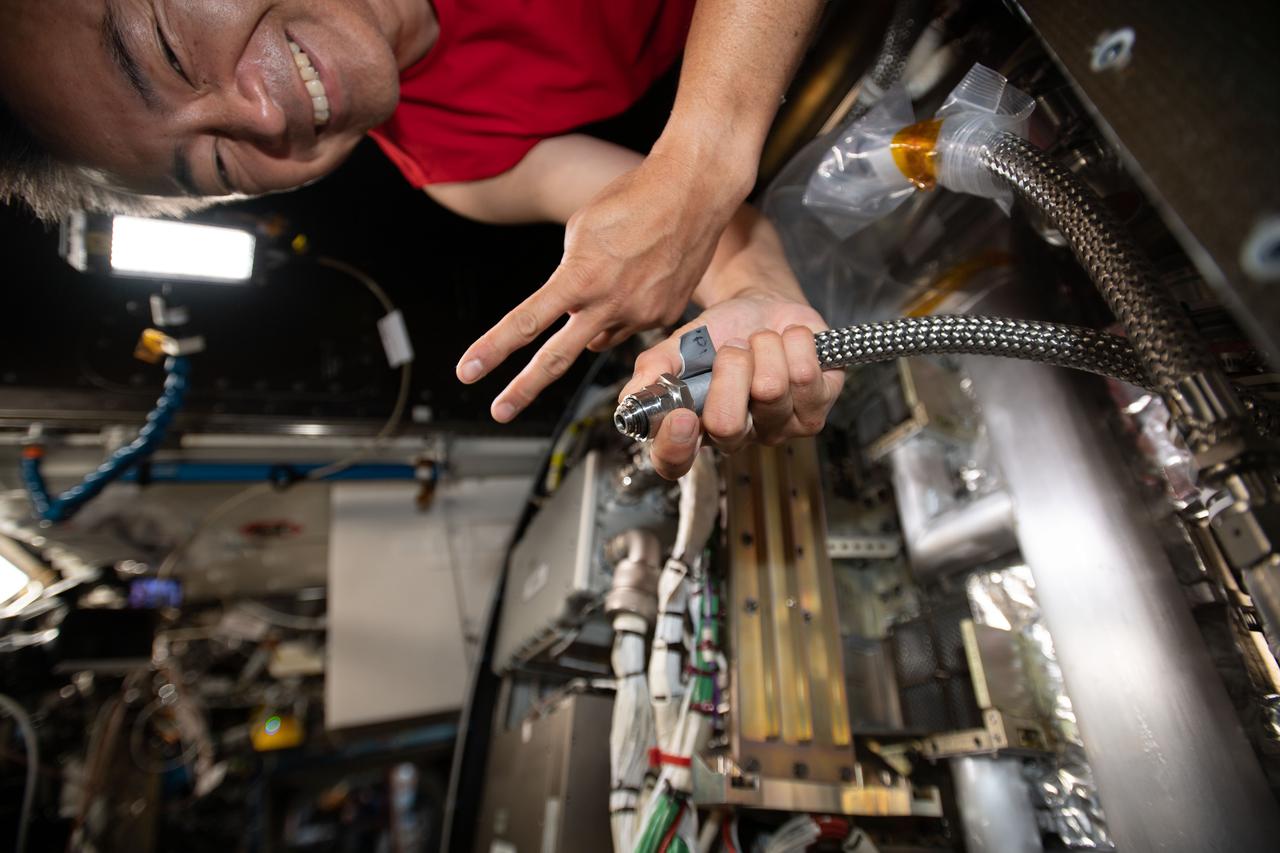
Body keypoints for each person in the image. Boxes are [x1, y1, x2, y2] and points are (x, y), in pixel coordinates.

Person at [0, 0, 844, 478]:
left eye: (171, 55)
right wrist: (751, 306)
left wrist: (701, 152)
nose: (261, 115)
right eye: (213, 159)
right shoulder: (452, 164)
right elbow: (709, 237)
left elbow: (691, 194)